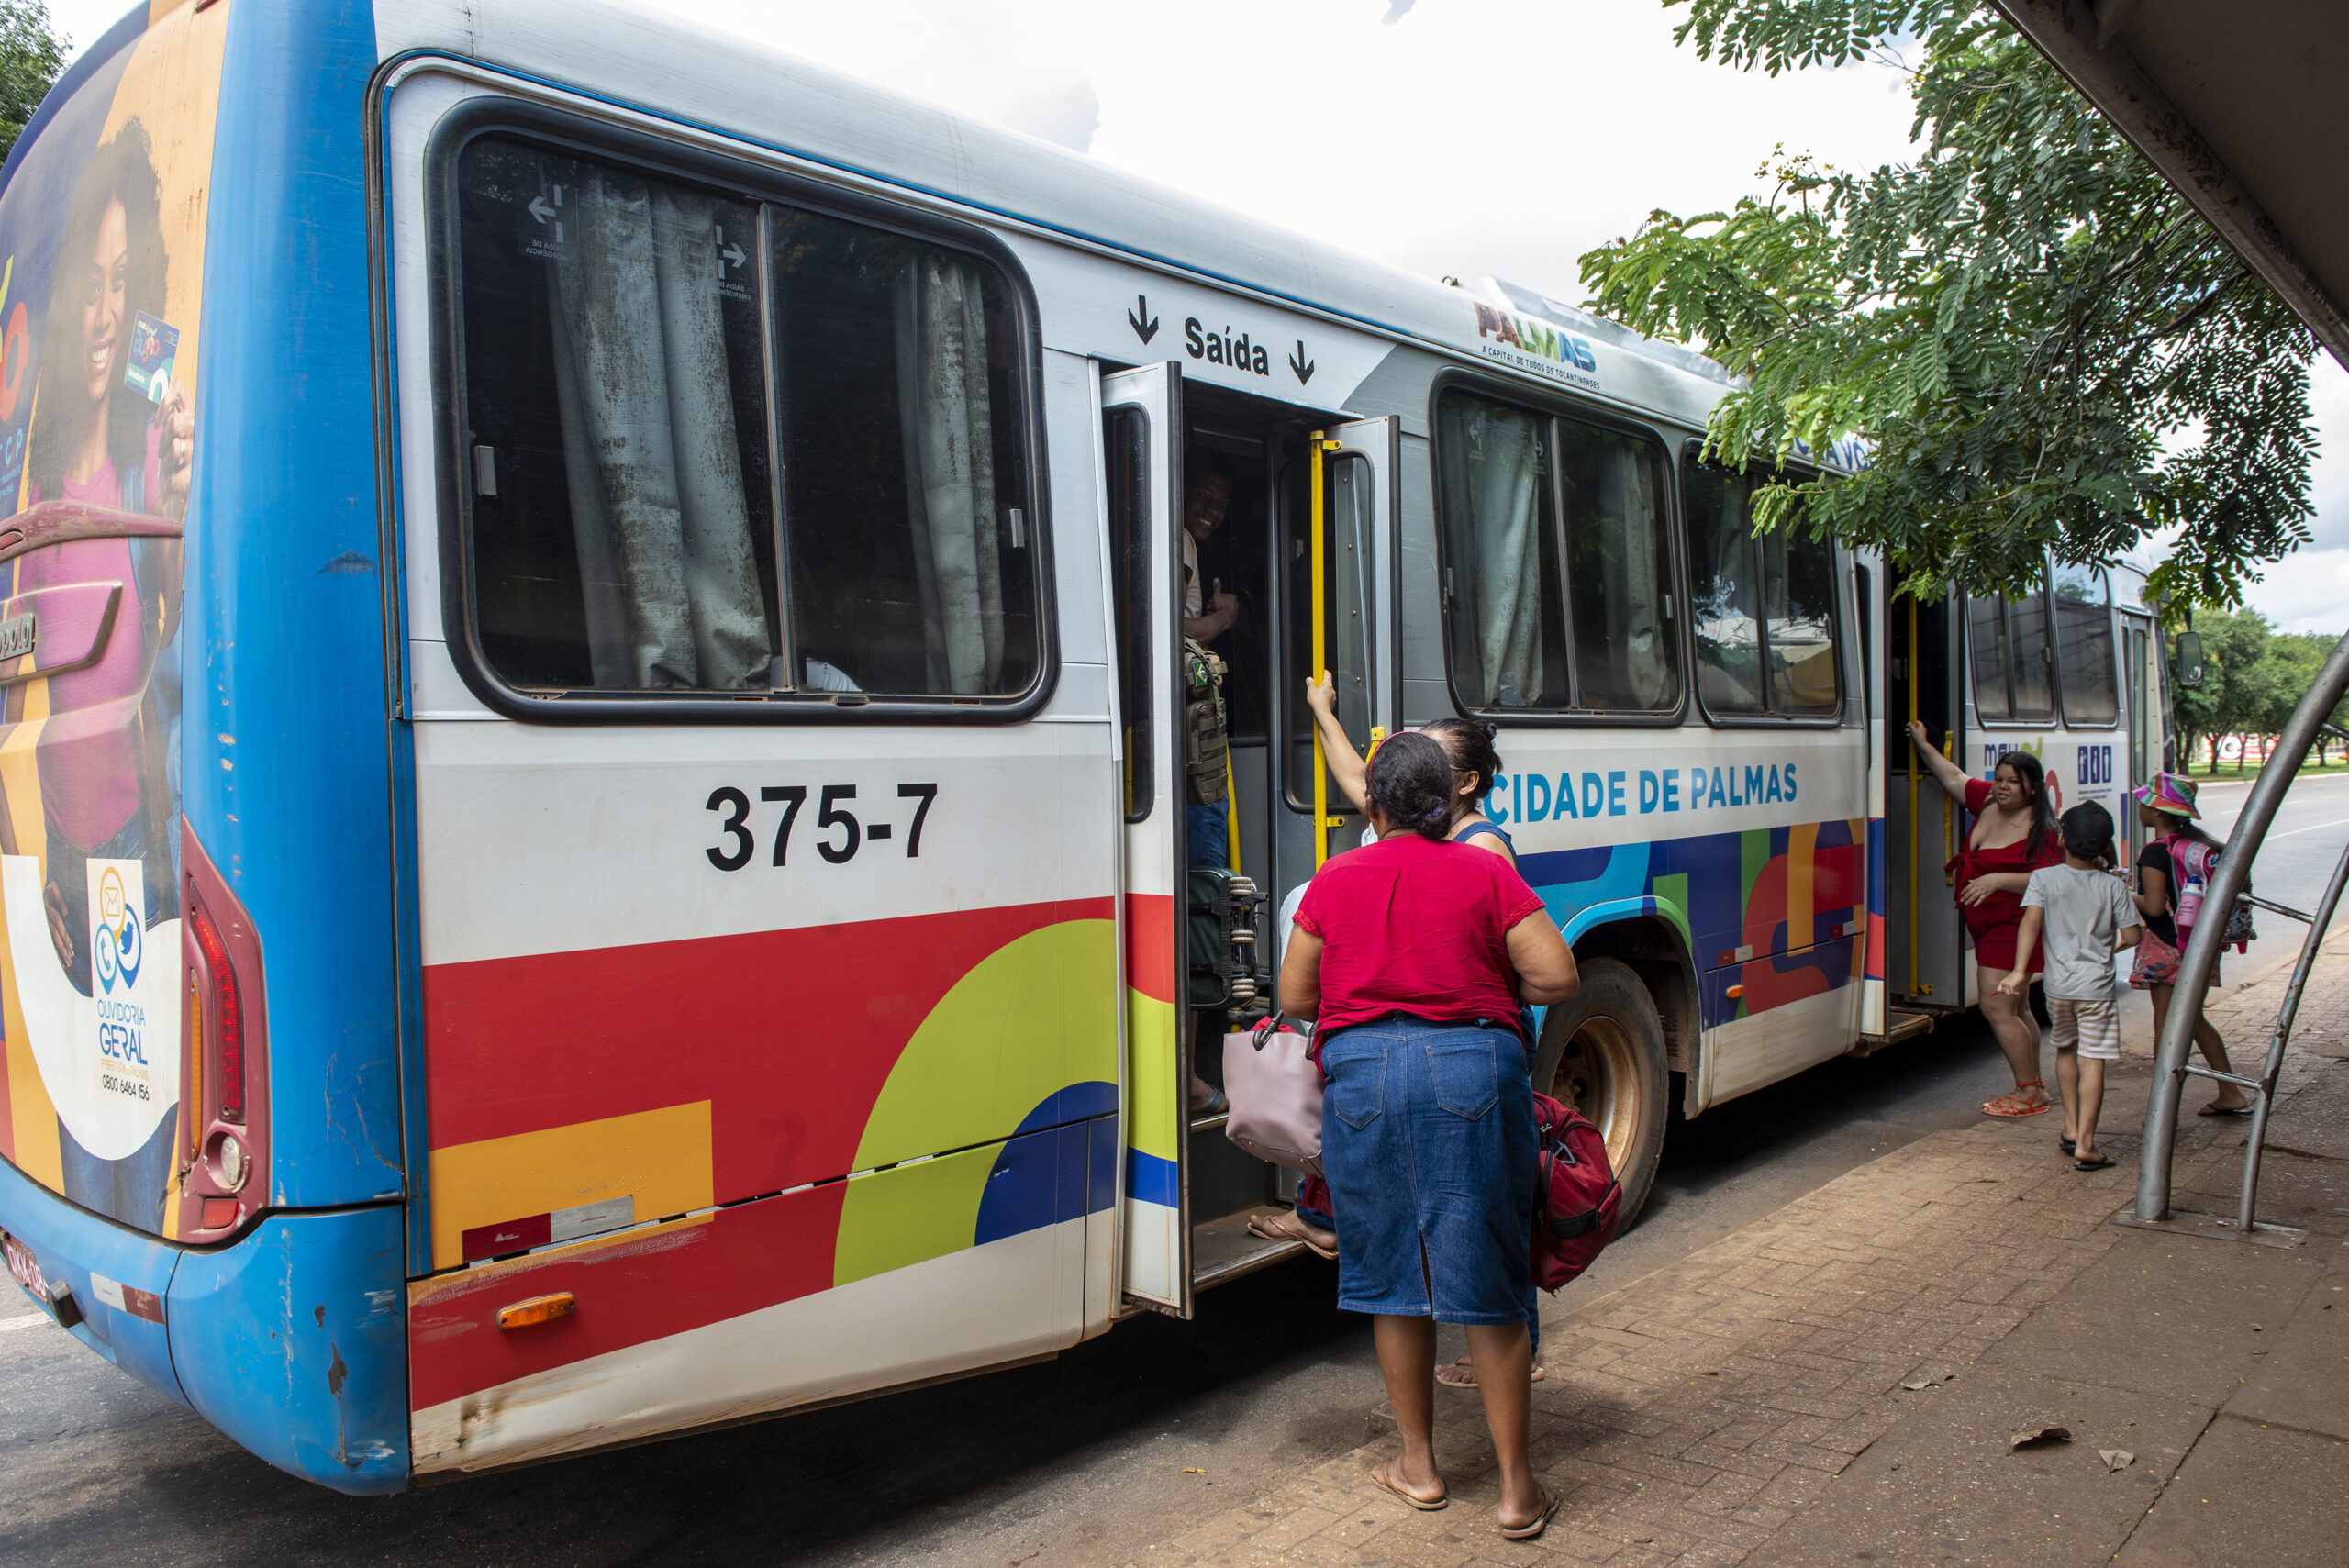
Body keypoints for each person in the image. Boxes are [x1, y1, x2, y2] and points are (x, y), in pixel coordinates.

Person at [1278, 731, 1578, 1540]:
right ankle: (1518, 1490)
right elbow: (1557, 976)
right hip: (1472, 1071)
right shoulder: (1485, 870)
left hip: (1366, 1079)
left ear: (1373, 805)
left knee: (1391, 1274)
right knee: (1488, 1277)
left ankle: (1419, 1466)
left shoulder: (1335, 878)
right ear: (1447, 801)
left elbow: (1296, 994)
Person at [1249, 684, 1518, 1268]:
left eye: (1428, 763)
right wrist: (1321, 709)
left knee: (1478, 1203)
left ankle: (1504, 1347)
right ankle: (1325, 1216)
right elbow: (1354, 772)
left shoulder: (1482, 852)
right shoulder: (1408, 816)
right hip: (1391, 1033)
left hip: (1454, 1040)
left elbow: (1519, 967)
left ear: (1463, 784)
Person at [1906, 723, 2062, 1117]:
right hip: (1985, 924)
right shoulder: (1988, 802)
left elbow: (2057, 880)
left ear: (2033, 787)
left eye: (2014, 781)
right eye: (1999, 779)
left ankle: (2028, 1093)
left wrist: (1998, 879)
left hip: (2013, 927)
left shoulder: (2040, 827)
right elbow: (1953, 777)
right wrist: (1923, 745)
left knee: (1997, 1008)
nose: (2003, 787)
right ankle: (2035, 1087)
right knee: (2019, 1008)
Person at [1999, 803, 2141, 1170]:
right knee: (2093, 1061)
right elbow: (2133, 934)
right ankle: (2088, 1145)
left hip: (2058, 988)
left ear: (2062, 839)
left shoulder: (2044, 879)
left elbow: (2030, 924)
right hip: (2096, 990)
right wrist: (2107, 948)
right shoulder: (2113, 886)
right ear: (2105, 846)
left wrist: (2019, 972)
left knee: (2065, 1050)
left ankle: (2071, 1129)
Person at [2129, 773, 2253, 1115]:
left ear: (2157, 811)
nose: (2139, 806)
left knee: (2166, 1028)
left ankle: (2162, 1112)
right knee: (2194, 1021)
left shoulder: (2155, 851)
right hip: (2200, 944)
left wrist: (2120, 893)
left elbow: (2154, 906)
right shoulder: (2204, 845)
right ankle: (2230, 1093)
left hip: (2167, 947)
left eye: (2145, 801)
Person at [1180, 459, 1238, 645]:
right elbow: (1169, 631)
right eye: (1202, 495)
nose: (1213, 509)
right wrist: (1225, 618)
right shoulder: (1181, 539)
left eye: (1222, 503)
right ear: (1180, 492)